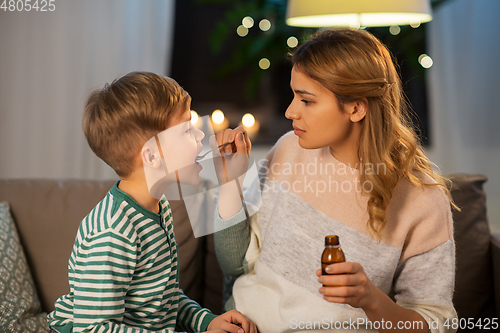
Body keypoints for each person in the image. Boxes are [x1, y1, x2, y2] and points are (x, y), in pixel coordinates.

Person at [213, 29, 457, 332]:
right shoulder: (288, 149)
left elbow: (437, 323)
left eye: (306, 100)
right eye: (293, 96)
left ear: (356, 107)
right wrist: (229, 182)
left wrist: (372, 300)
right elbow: (236, 263)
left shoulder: (422, 199)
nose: (290, 111)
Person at [47, 72, 257, 333]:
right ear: (152, 156)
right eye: (187, 129)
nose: (201, 136)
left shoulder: (158, 209)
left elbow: (161, 299)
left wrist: (207, 322)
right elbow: (93, 329)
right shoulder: (113, 231)